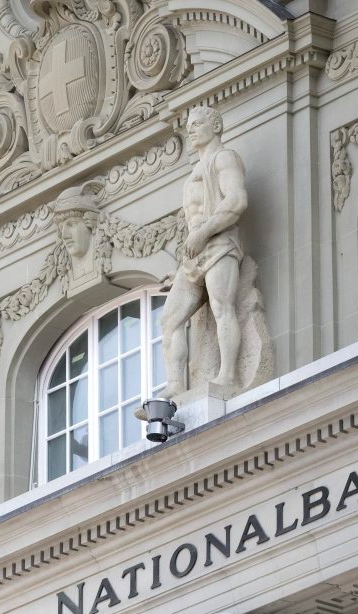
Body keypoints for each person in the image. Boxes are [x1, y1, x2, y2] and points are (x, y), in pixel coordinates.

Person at [159, 104, 249, 398]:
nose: (191, 129)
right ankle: (175, 384)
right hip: (195, 256)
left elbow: (236, 201)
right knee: (169, 319)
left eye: (197, 123)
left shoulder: (224, 158)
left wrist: (203, 232)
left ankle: (228, 375)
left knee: (223, 308)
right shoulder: (193, 173)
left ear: (216, 126)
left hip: (220, 244)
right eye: (189, 124)